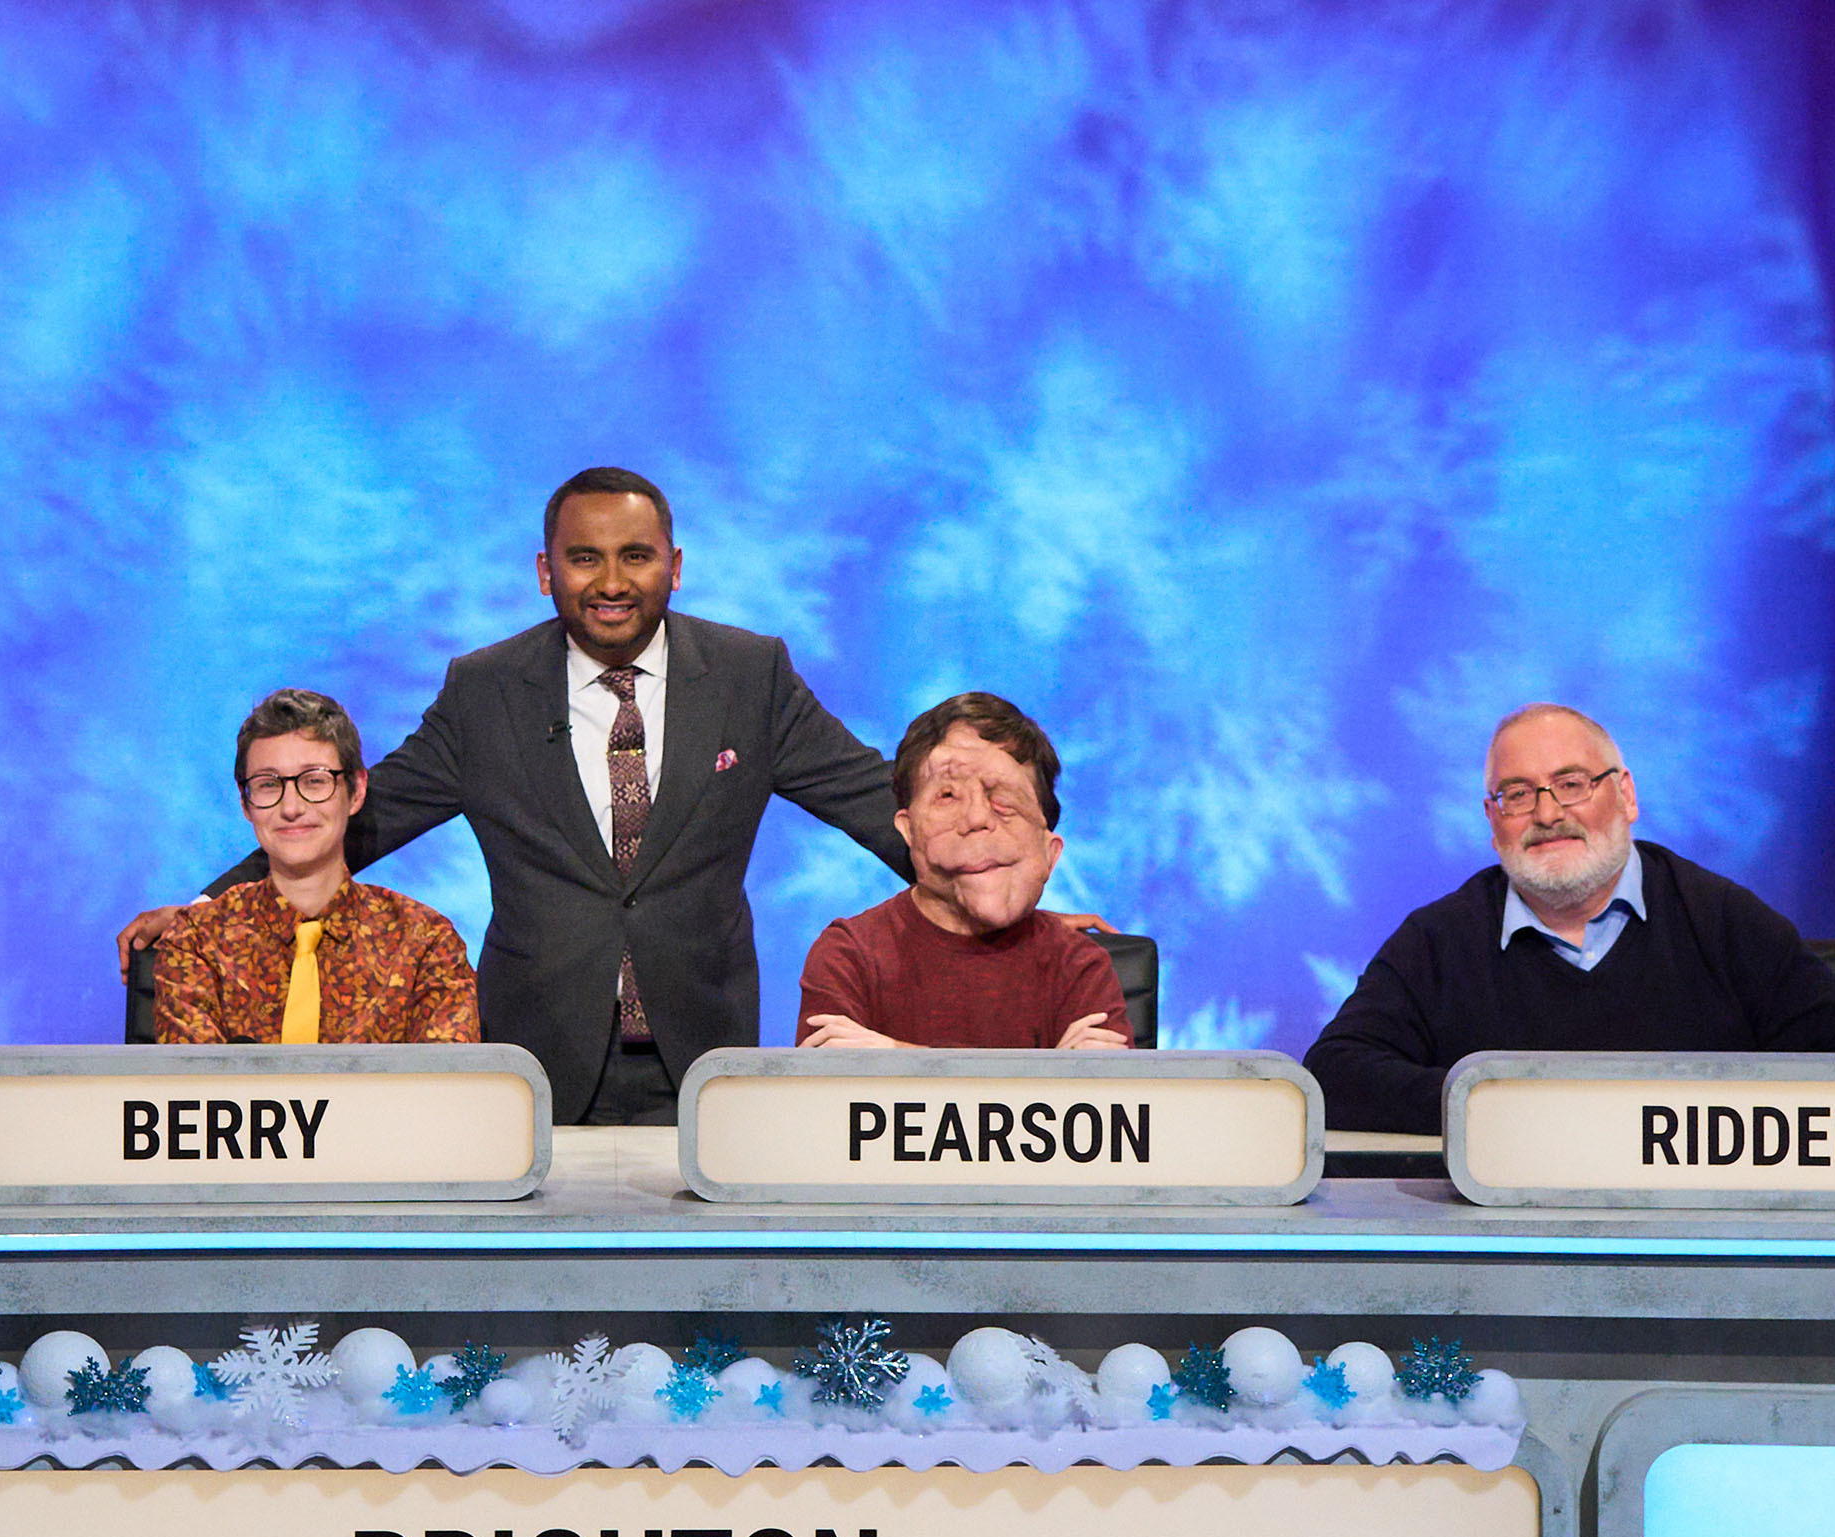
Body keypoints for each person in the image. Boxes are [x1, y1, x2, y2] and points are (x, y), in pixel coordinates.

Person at [116, 468, 909, 1122]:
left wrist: (985, 883)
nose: (609, 582)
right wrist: (209, 906)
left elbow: (871, 801)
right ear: (544, 571)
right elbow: (361, 818)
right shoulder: (485, 690)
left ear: (674, 565)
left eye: (634, 556)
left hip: (701, 1055)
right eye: (583, 557)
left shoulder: (749, 675)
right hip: (534, 1059)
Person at [1302, 701, 1835, 1133]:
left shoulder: (1722, 919)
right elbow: (1337, 1074)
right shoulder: (1436, 939)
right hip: (1501, 1252)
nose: (1548, 812)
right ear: (1492, 821)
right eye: (1517, 794)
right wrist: (1509, 1106)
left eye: (1572, 783)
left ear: (1627, 796)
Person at [795, 694, 1132, 1050]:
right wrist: (1048, 1078)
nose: (976, 819)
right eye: (948, 796)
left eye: (1003, 801)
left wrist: (894, 1058)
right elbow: (823, 1098)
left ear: (1050, 851)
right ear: (907, 830)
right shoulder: (849, 955)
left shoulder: (1080, 966)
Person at [152, 689, 483, 1044]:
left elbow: (445, 1093)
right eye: (268, 785)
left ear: (356, 791)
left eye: (314, 781)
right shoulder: (196, 942)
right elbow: (196, 1094)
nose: (291, 806)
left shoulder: (427, 945)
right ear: (246, 804)